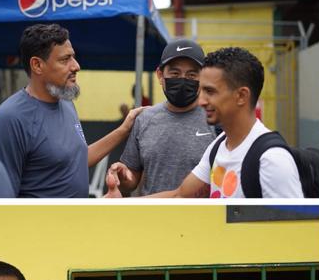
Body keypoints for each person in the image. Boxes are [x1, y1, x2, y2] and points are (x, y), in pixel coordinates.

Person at [106, 46, 303, 199]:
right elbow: (180, 195)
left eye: (210, 91)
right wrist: (119, 202)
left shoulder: (272, 159)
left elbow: (294, 233)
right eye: (175, 73)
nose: (201, 101)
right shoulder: (218, 147)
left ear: (242, 96)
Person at [0, 23, 146, 198]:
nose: (76, 66)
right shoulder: (10, 119)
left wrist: (123, 130)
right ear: (37, 65)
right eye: (65, 59)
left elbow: (76, 160)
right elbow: (0, 201)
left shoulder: (66, 103)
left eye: (73, 57)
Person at [108, 39, 219, 196]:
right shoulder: (144, 119)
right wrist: (123, 176)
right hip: (151, 217)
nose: (182, 80)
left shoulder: (215, 120)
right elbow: (131, 181)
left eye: (192, 74)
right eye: (175, 73)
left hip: (201, 218)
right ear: (160, 75)